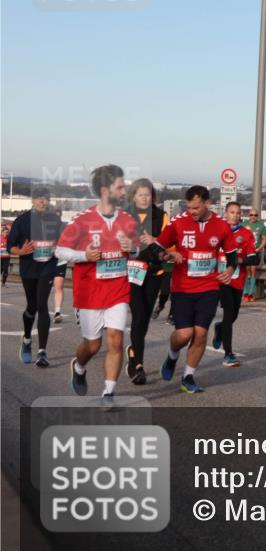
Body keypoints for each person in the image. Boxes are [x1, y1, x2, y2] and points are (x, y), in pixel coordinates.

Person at [55, 165, 140, 407]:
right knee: (93, 345)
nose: (124, 191)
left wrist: (131, 246)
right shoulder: (82, 220)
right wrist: (84, 255)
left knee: (116, 340)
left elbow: (137, 246)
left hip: (118, 290)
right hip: (90, 293)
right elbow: (60, 250)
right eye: (120, 187)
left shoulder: (127, 219)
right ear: (105, 190)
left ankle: (108, 394)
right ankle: (79, 366)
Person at [151, 186, 238, 393]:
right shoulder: (178, 222)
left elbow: (232, 254)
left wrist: (230, 268)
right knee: (183, 335)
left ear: (208, 203)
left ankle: (188, 376)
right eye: (189, 207)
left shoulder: (221, 225)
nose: (192, 211)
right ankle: (172, 356)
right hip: (182, 287)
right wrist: (168, 256)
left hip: (209, 287)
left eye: (196, 207)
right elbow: (157, 248)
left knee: (200, 334)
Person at [7, 187, 63, 367]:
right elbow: (10, 247)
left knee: (42, 305)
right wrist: (21, 251)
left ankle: (42, 352)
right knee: (31, 306)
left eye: (45, 199)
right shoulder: (22, 221)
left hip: (47, 267)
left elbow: (63, 242)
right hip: (28, 268)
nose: (42, 202)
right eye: (39, 199)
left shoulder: (55, 220)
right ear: (32, 200)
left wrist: (59, 248)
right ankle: (27, 339)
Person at [123, 178, 169, 385]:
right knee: (139, 315)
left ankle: (133, 351)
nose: (144, 197)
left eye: (148, 194)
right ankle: (137, 364)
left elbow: (168, 246)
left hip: (154, 272)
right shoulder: (124, 215)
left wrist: (155, 241)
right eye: (140, 194)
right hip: (131, 271)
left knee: (144, 318)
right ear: (133, 196)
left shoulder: (162, 216)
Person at [211, 201, 257, 366]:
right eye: (232, 212)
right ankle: (228, 353)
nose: (235, 215)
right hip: (219, 279)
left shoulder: (246, 234)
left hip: (237, 280)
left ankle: (220, 328)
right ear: (225, 213)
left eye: (238, 213)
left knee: (233, 316)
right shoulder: (216, 232)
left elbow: (255, 257)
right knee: (229, 314)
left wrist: (240, 259)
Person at [241, 208, 266, 302]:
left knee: (252, 272)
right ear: (249, 215)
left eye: (255, 215)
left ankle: (251, 293)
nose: (253, 217)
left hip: (255, 252)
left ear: (258, 216)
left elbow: (265, 239)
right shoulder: (243, 224)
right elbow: (239, 237)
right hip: (246, 252)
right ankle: (245, 292)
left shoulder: (261, 226)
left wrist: (258, 249)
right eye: (251, 215)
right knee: (246, 271)